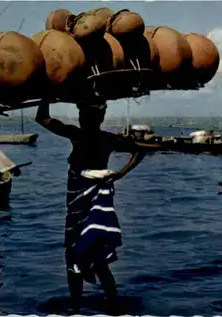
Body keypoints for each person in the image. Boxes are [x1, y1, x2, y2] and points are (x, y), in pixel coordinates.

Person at [36, 100, 146, 314]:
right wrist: (121, 173)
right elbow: (139, 151)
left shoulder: (77, 134)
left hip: (80, 206)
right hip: (94, 204)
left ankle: (77, 308)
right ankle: (113, 306)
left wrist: (45, 97)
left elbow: (42, 119)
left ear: (82, 118)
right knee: (98, 257)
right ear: (101, 118)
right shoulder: (108, 139)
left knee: (73, 254)